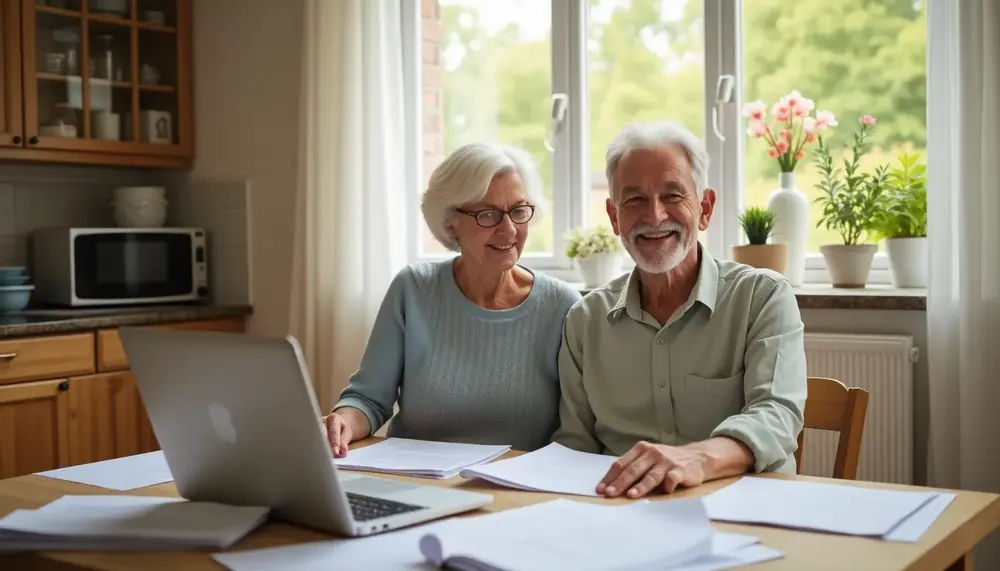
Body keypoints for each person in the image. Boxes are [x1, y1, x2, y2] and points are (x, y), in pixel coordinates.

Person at [553, 121, 807, 499]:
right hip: (621, 517)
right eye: (634, 200)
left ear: (704, 208)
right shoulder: (584, 321)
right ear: (613, 217)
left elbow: (777, 414)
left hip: (750, 513)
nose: (654, 216)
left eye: (673, 195)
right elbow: (574, 448)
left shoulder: (763, 297)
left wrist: (697, 458)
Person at [322, 142, 582, 457]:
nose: (509, 229)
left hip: (520, 491)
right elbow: (368, 400)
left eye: (518, 210)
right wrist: (344, 422)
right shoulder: (413, 290)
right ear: (450, 222)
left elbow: (577, 432)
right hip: (418, 483)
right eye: (488, 214)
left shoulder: (561, 306)